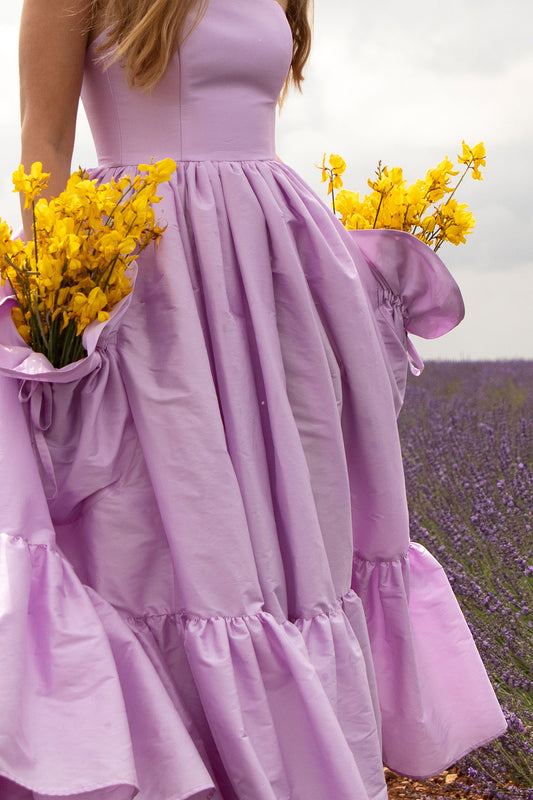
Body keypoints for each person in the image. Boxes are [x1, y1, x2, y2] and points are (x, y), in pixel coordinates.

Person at [0, 0, 506, 798]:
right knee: (158, 538)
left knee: (295, 548)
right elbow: (45, 148)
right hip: (147, 277)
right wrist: (59, 307)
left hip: (273, 278)